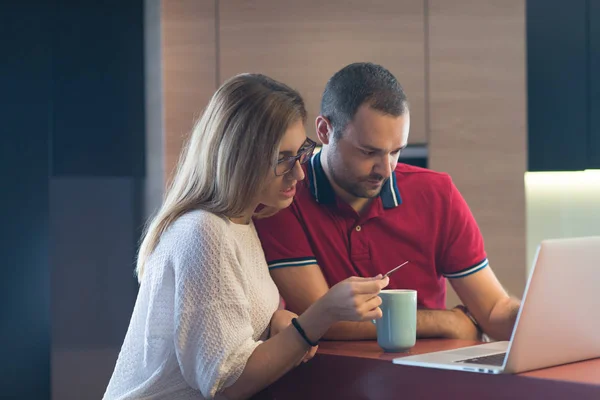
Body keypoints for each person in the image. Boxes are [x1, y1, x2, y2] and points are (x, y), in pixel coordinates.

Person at [103, 73, 389, 400]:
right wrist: (322, 315)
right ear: (240, 157)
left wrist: (276, 322)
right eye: (283, 159)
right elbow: (228, 383)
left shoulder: (240, 224)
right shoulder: (204, 233)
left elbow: (230, 332)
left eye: (300, 154)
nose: (299, 172)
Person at [254, 62, 521, 343]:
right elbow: (319, 318)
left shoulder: (437, 194)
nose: (386, 169)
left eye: (396, 151)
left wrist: (542, 318)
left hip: (431, 382)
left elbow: (493, 311)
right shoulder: (285, 195)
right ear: (324, 131)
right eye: (369, 152)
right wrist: (446, 321)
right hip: (330, 383)